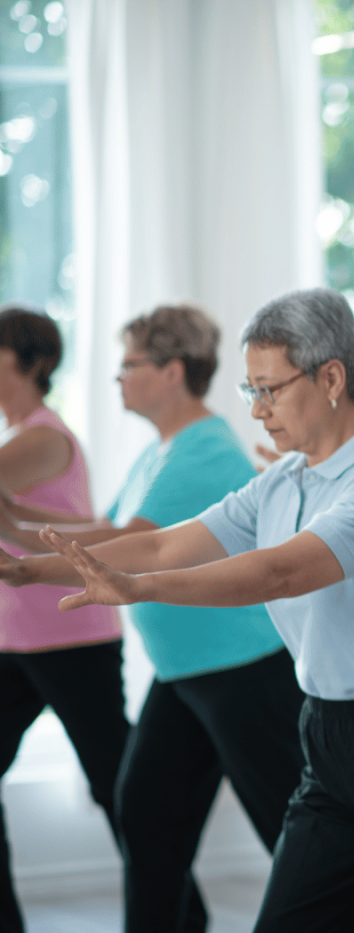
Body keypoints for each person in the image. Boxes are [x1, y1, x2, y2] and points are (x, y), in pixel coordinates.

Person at [0, 288, 354, 933]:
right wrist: (27, 570)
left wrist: (138, 587)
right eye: (250, 391)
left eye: (270, 390)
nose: (257, 411)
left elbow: (279, 570)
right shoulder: (285, 479)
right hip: (331, 733)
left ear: (332, 378)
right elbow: (164, 541)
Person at [0, 303, 306, 933]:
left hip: (242, 674)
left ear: (173, 372)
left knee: (299, 837)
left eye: (131, 364)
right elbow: (98, 532)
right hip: (185, 674)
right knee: (144, 817)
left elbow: (130, 545)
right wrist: (14, 524)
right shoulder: (159, 453)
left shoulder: (204, 453)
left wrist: (25, 565)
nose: (118, 377)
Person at [0, 304, 126, 933]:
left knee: (119, 788)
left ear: (32, 362)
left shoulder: (45, 437)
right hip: (15, 642)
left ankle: (180, 917)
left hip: (73, 636)